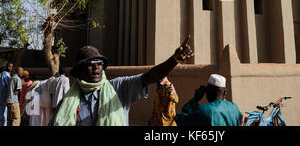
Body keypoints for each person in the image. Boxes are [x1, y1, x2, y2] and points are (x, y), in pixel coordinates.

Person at [50, 35, 194, 126]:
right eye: (90, 64)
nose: (96, 67)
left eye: (99, 63)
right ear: (80, 70)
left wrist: (174, 60)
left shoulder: (118, 88)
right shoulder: (68, 102)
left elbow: (149, 77)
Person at [175, 74, 243, 126]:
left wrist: (195, 99)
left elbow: (182, 120)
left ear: (206, 92)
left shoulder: (204, 110)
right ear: (225, 92)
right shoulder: (234, 108)